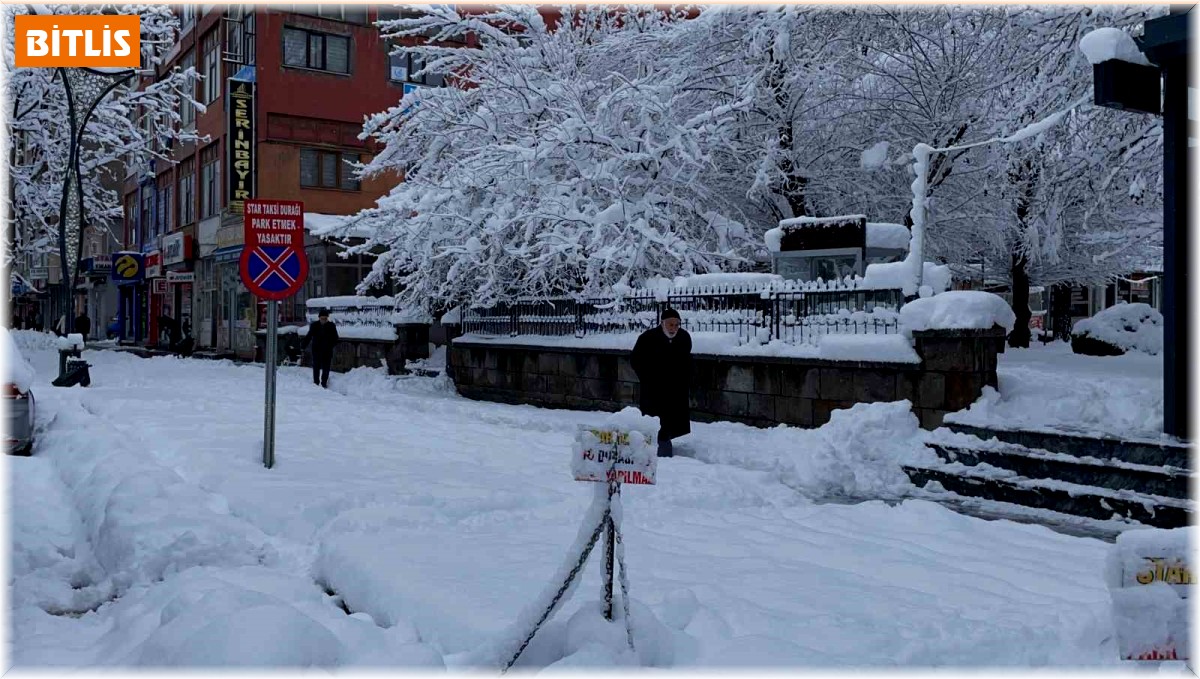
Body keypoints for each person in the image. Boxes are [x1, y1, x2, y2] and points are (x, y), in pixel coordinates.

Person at [630, 308, 692, 457]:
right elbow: (636, 360)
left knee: (672, 419)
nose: (674, 328)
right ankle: (658, 450)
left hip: (675, 388)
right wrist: (647, 378)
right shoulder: (647, 338)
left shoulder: (684, 337)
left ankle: (663, 443)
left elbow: (687, 359)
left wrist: (685, 377)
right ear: (662, 323)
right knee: (655, 420)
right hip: (654, 389)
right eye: (670, 324)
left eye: (677, 325)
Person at [301, 308, 339, 388]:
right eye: (322, 319)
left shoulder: (331, 326)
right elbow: (309, 336)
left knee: (326, 368)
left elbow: (335, 338)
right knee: (316, 367)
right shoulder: (314, 326)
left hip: (327, 350)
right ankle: (316, 383)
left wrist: (330, 345)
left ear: (327, 318)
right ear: (319, 318)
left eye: (325, 319)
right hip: (316, 350)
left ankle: (324, 383)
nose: (323, 320)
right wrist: (303, 346)